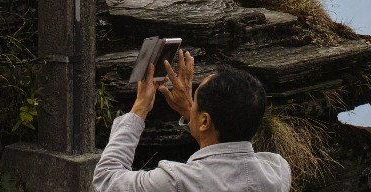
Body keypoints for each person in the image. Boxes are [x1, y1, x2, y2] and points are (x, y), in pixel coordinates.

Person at [94, 48, 290, 191]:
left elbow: (106, 179)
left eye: (194, 100)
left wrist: (140, 108)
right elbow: (230, 147)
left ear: (205, 122)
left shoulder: (176, 181)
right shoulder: (278, 172)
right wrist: (193, 113)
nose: (190, 103)